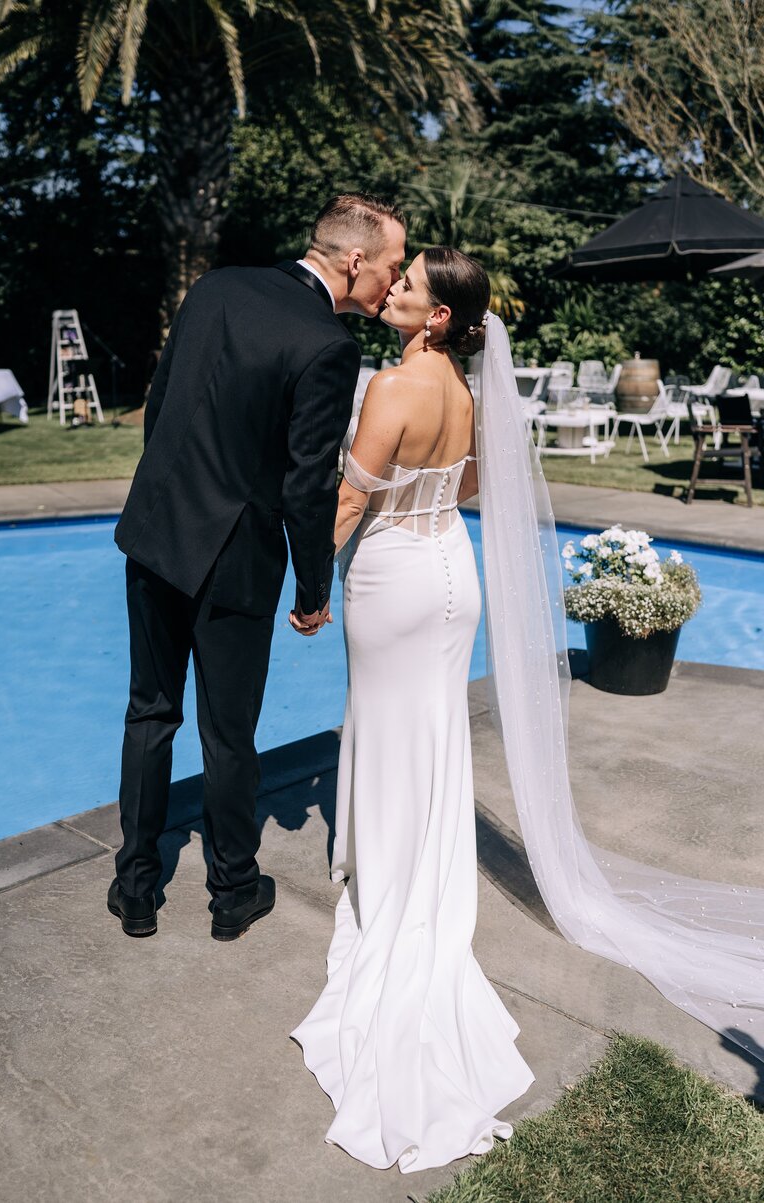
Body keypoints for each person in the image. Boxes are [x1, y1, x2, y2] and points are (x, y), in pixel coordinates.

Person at [291, 247, 535, 1172]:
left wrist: (310, 584)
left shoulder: (394, 387)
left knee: (388, 728)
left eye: (407, 285)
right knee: (427, 736)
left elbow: (349, 500)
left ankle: (386, 879)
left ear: (436, 317)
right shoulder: (467, 397)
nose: (391, 288)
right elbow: (469, 482)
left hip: (392, 575)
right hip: (451, 573)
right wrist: (422, 494)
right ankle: (420, 870)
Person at [108, 193, 406, 942]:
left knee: (150, 711)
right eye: (393, 267)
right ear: (354, 260)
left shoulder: (216, 287)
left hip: (154, 529)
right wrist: (312, 588)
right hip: (234, 556)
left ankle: (135, 884)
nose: (393, 284)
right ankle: (233, 889)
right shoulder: (329, 344)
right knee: (228, 731)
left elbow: (161, 406)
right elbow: (308, 485)